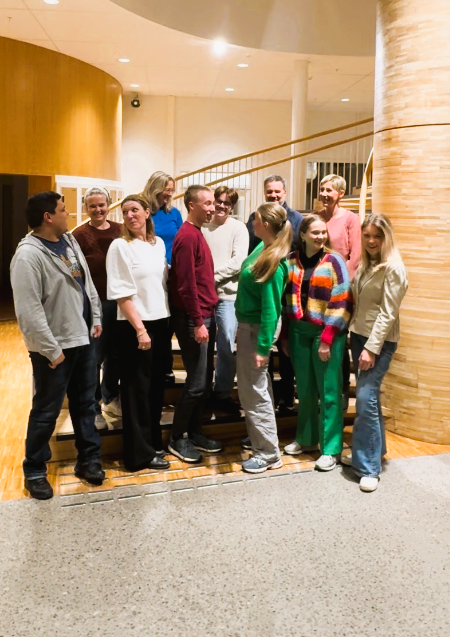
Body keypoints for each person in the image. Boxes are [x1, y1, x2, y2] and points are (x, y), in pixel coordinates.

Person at [10, 191, 104, 500]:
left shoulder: (69, 241)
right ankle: (35, 470)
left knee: (86, 404)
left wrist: (95, 316)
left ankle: (88, 460)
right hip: (56, 348)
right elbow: (29, 311)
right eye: (63, 210)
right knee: (46, 411)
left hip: (83, 338)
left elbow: (86, 283)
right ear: (48, 217)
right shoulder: (28, 255)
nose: (68, 214)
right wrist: (50, 350)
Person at [342, 213, 408, 492]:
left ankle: (368, 467)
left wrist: (371, 348)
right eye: (367, 235)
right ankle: (372, 453)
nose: (371, 241)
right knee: (370, 399)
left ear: (386, 237)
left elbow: (388, 313)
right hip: (359, 336)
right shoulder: (368, 264)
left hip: (378, 343)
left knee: (365, 399)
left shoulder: (393, 268)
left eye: (377, 236)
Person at [282, 215, 353, 472]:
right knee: (305, 390)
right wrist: (285, 335)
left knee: (329, 391)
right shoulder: (291, 260)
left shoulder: (335, 261)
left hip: (327, 334)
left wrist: (327, 338)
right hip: (298, 332)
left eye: (323, 232)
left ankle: (331, 448)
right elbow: (285, 299)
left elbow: (342, 299)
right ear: (302, 235)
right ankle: (307, 438)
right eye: (315, 232)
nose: (321, 236)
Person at [106, 195, 171, 471]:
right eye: (125, 212)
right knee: (136, 391)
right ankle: (138, 456)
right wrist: (140, 330)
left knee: (155, 389)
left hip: (160, 322)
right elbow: (121, 293)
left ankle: (153, 443)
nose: (130, 215)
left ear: (147, 212)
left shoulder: (158, 244)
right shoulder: (120, 246)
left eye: (135, 210)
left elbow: (161, 285)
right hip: (135, 326)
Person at [235, 202, 292, 473]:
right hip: (249, 328)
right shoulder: (263, 247)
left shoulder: (273, 261)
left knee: (255, 394)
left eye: (255, 219)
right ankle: (262, 442)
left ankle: (268, 454)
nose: (252, 222)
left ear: (265, 225)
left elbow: (272, 310)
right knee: (255, 391)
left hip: (257, 330)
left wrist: (263, 347)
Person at [168, 185, 223, 463]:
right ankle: (177, 437)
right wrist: (198, 321)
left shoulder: (197, 233)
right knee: (196, 383)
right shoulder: (188, 236)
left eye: (213, 203)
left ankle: (195, 432)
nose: (213, 208)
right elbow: (186, 285)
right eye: (208, 203)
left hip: (203, 315)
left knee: (203, 381)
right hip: (194, 318)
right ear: (192, 205)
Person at [246, 175, 304, 417]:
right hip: (264, 288)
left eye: (277, 191)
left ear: (285, 192)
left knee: (286, 348)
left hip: (288, 290)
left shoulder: (297, 220)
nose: (273, 195)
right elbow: (252, 250)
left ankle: (287, 398)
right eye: (269, 191)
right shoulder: (255, 218)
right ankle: (269, 398)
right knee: (267, 350)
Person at [72, 187, 122, 429]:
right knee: (94, 357)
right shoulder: (79, 235)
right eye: (92, 206)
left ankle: (111, 397)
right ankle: (93, 407)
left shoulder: (120, 231)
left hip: (119, 302)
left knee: (115, 354)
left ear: (109, 205)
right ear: (86, 208)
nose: (98, 209)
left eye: (101, 205)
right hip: (94, 304)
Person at [202, 186, 249, 415]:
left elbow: (238, 262)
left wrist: (210, 278)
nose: (221, 206)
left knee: (227, 345)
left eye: (226, 203)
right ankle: (202, 393)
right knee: (203, 347)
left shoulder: (238, 228)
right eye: (218, 201)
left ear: (232, 206)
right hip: (203, 297)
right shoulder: (202, 226)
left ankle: (222, 393)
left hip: (228, 296)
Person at [318, 174, 362, 410]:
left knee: (338, 339)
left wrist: (343, 285)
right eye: (322, 189)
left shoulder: (350, 219)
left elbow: (356, 256)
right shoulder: (316, 217)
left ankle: (342, 390)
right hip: (318, 288)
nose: (324, 194)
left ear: (341, 194)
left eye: (330, 190)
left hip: (341, 288)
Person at [143, 171, 183, 387]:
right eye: (166, 190)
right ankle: (151, 367)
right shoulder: (144, 211)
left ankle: (165, 367)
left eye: (171, 191)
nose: (169, 194)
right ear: (155, 188)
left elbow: (181, 241)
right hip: (151, 274)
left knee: (168, 324)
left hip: (172, 274)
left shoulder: (174, 213)